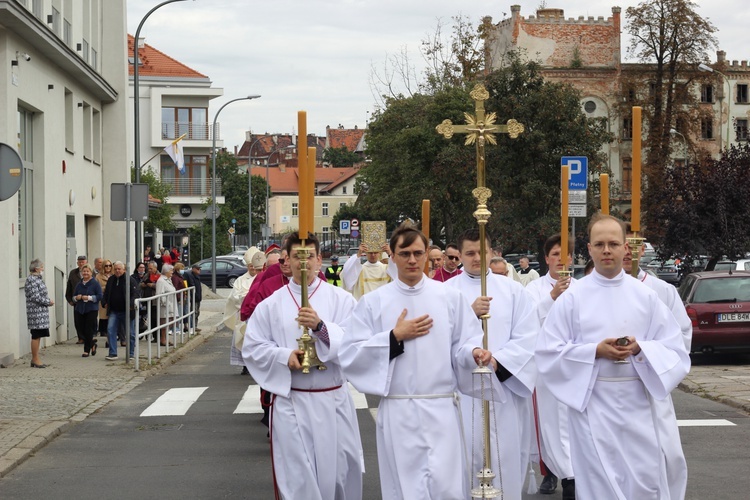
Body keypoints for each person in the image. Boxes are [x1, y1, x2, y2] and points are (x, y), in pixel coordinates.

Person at [536, 214, 690, 499]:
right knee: (600, 484)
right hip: (592, 405)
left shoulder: (645, 296)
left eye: (613, 243)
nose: (607, 250)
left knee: (643, 481)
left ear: (624, 248)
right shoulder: (572, 297)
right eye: (600, 244)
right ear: (590, 249)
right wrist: (595, 351)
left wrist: (641, 348)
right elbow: (548, 353)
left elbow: (675, 348)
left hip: (638, 405)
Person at [340, 223, 484, 499]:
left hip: (441, 408)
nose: (412, 260)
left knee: (447, 488)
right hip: (399, 410)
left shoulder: (450, 298)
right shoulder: (373, 302)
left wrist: (474, 354)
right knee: (406, 489)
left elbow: (465, 343)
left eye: (418, 253)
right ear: (391, 256)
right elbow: (351, 354)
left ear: (428, 254)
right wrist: (394, 337)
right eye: (404, 253)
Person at [242, 232, 364, 500]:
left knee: (340, 475)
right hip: (292, 402)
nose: (303, 261)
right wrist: (284, 356)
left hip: (333, 399)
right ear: (286, 260)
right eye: (297, 255)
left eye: (309, 255)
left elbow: (357, 342)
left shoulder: (341, 300)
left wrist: (321, 328)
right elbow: (252, 347)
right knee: (298, 479)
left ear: (320, 260)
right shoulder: (270, 305)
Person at [447, 228, 538, 499]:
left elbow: (529, 338)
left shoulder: (514, 292)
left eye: (482, 252)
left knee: (506, 457)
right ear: (460, 255)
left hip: (504, 392)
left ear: (492, 252)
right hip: (462, 394)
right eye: (470, 253)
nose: (477, 258)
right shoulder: (445, 292)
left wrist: (497, 360)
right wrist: (468, 315)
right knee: (464, 458)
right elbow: (436, 340)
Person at [623, 225, 691, 500]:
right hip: (610, 390)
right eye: (621, 245)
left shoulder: (662, 290)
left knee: (669, 456)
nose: (627, 252)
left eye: (633, 245)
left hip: (652, 388)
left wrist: (647, 354)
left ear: (642, 249)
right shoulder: (592, 290)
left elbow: (682, 336)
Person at [525, 234, 575, 498]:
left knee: (571, 422)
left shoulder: (582, 287)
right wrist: (552, 297)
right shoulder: (534, 289)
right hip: (546, 368)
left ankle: (572, 474)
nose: (560, 259)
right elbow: (527, 321)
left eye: (564, 254)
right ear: (546, 259)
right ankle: (553, 472)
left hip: (575, 365)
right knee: (550, 422)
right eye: (554, 254)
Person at [225, 247, 264, 374]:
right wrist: (246, 297)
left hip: (259, 316)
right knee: (244, 340)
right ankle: (245, 366)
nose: (253, 269)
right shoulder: (240, 280)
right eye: (251, 266)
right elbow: (234, 297)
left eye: (255, 266)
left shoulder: (263, 278)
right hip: (245, 316)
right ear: (248, 266)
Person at [102, 261, 139, 361]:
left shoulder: (130, 280)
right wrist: (104, 302)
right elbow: (106, 293)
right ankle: (113, 353)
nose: (117, 271)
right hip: (114, 310)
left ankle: (131, 354)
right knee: (110, 330)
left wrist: (131, 305)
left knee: (130, 333)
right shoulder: (111, 280)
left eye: (119, 269)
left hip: (127, 311)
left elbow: (135, 293)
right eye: (116, 269)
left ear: (124, 270)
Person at [25, 259, 54, 368]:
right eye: (42, 267)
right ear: (36, 269)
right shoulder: (32, 280)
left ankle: (36, 358)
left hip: (40, 313)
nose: (43, 269)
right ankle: (35, 359)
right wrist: (48, 302)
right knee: (36, 335)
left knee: (38, 335)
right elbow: (35, 297)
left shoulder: (37, 279)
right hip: (36, 314)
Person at [72, 263, 102, 357]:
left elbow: (100, 296)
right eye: (84, 271)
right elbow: (73, 297)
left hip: (91, 309)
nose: (85, 273)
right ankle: (92, 344)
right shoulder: (79, 284)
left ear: (90, 272)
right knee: (81, 329)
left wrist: (88, 298)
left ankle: (86, 350)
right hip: (80, 309)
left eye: (87, 271)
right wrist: (77, 297)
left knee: (88, 329)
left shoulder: (95, 283)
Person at [65, 255, 88, 344]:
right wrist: (69, 299)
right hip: (77, 301)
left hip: (88, 300)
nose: (81, 263)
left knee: (88, 320)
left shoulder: (90, 272)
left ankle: (88, 336)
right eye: (79, 262)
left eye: (83, 262)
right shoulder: (73, 273)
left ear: (86, 262)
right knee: (78, 320)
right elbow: (69, 287)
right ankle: (81, 337)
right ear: (77, 263)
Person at [155, 264, 178, 347]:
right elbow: (159, 293)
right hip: (165, 306)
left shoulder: (168, 279)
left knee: (169, 323)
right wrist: (165, 303)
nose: (172, 272)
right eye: (171, 270)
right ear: (166, 271)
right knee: (164, 323)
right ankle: (163, 339)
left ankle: (166, 339)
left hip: (171, 305)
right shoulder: (161, 281)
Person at [95, 260, 113, 340]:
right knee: (104, 317)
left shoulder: (114, 275)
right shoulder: (98, 276)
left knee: (112, 317)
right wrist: (106, 288)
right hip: (103, 298)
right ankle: (104, 332)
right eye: (106, 265)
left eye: (110, 265)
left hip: (113, 298)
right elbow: (96, 288)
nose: (108, 267)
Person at [184, 263, 203, 333]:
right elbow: (192, 287)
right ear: (193, 269)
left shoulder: (197, 276)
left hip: (198, 297)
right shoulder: (190, 276)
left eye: (199, 269)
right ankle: (193, 326)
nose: (199, 270)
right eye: (197, 269)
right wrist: (194, 296)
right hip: (194, 298)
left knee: (197, 312)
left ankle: (195, 326)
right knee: (194, 312)